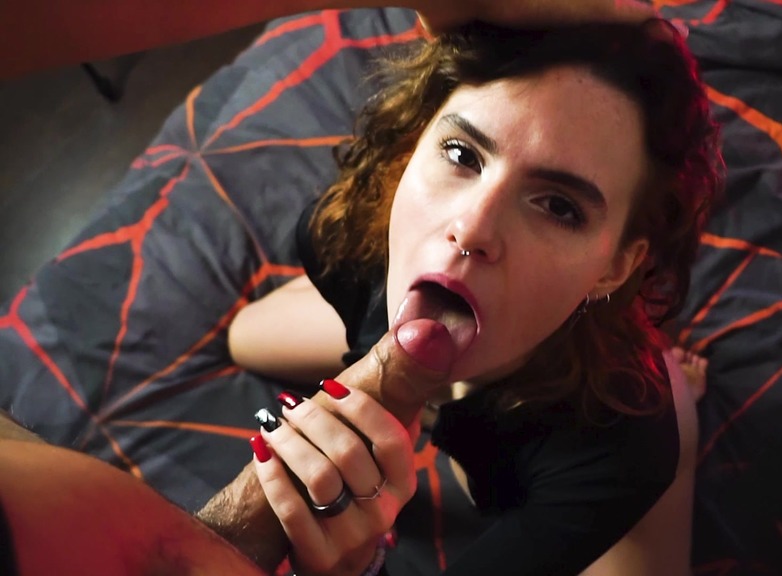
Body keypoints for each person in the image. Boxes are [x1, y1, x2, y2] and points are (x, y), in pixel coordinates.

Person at [218, 14, 720, 576]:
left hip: (574, 396)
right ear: (415, 144)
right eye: (462, 155)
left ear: (615, 267)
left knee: (664, 427)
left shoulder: (619, 442)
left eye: (558, 207)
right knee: (243, 338)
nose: (472, 228)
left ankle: (674, 380)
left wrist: (353, 569)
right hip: (435, 318)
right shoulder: (335, 239)